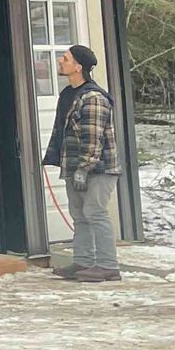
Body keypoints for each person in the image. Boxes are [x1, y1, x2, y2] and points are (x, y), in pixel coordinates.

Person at [50, 44, 120, 283]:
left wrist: (84, 169)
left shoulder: (93, 98)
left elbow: (93, 137)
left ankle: (108, 266)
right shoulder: (69, 94)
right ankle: (83, 262)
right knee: (79, 215)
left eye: (66, 58)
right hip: (74, 166)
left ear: (78, 67)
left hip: (97, 170)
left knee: (95, 213)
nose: (60, 61)